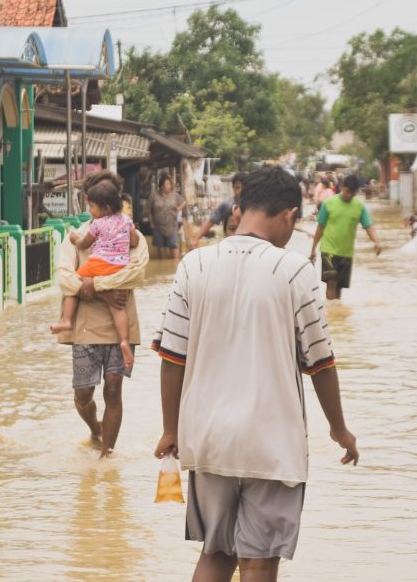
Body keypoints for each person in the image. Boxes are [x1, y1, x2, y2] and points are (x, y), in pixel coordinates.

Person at [153, 167, 359, 582]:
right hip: (271, 444)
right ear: (288, 215)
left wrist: (170, 428)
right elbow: (321, 364)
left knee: (216, 554)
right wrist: (340, 429)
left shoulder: (194, 265)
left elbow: (172, 358)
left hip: (208, 438)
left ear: (241, 207)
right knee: (260, 562)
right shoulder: (295, 271)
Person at [56, 170, 149, 459]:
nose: (92, 208)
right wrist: (105, 290)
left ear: (109, 202)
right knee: (83, 394)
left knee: (113, 388)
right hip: (85, 325)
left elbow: (136, 273)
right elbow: (65, 279)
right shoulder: (78, 237)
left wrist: (94, 285)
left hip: (120, 322)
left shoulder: (132, 234)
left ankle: (106, 455)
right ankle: (95, 430)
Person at [51, 180, 140, 368]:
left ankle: (66, 320)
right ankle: (124, 340)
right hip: (119, 269)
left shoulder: (97, 225)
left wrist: (75, 239)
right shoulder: (127, 222)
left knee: (75, 283)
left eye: (91, 206)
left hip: (98, 265)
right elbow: (134, 243)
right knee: (119, 309)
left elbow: (83, 246)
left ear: (105, 207)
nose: (90, 210)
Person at [309, 175, 382, 300]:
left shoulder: (359, 206)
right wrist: (313, 249)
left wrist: (376, 241)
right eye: (348, 192)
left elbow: (368, 225)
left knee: (339, 288)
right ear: (342, 187)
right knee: (331, 283)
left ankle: (336, 316)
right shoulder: (329, 203)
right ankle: (331, 316)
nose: (349, 195)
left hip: (346, 253)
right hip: (329, 250)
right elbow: (320, 228)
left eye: (352, 193)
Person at [189, 172, 245, 250]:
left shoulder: (254, 207)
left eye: (243, 187)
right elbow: (211, 221)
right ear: (232, 188)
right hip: (230, 245)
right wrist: (196, 239)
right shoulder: (227, 205)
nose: (240, 191)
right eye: (237, 187)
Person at [147, 173, 186, 260]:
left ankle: (176, 267)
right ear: (161, 186)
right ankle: (164, 268)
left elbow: (184, 202)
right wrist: (151, 222)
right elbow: (149, 210)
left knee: (174, 245)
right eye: (167, 184)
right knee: (160, 247)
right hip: (158, 226)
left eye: (170, 184)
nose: (169, 186)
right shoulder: (154, 196)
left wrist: (178, 209)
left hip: (172, 225)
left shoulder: (174, 195)